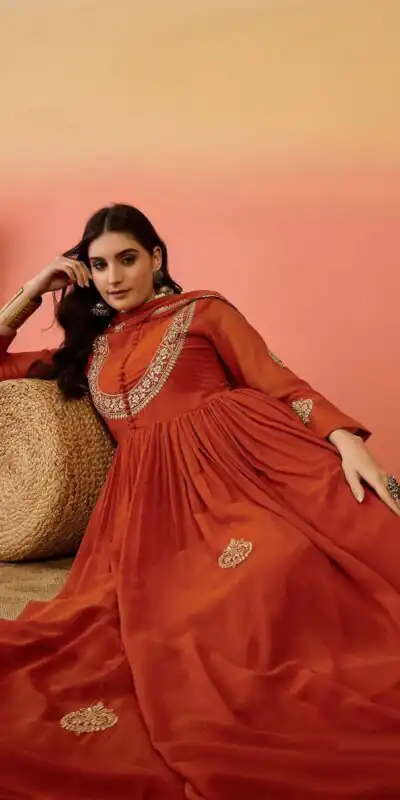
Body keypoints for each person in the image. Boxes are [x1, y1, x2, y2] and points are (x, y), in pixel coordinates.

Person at [0, 203, 399, 800]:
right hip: (149, 511)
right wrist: (34, 289)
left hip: (245, 475)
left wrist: (346, 441)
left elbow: (278, 381)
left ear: (156, 258)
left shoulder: (204, 310)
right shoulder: (91, 347)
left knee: (277, 562)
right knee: (169, 621)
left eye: (127, 259)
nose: (114, 277)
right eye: (99, 265)